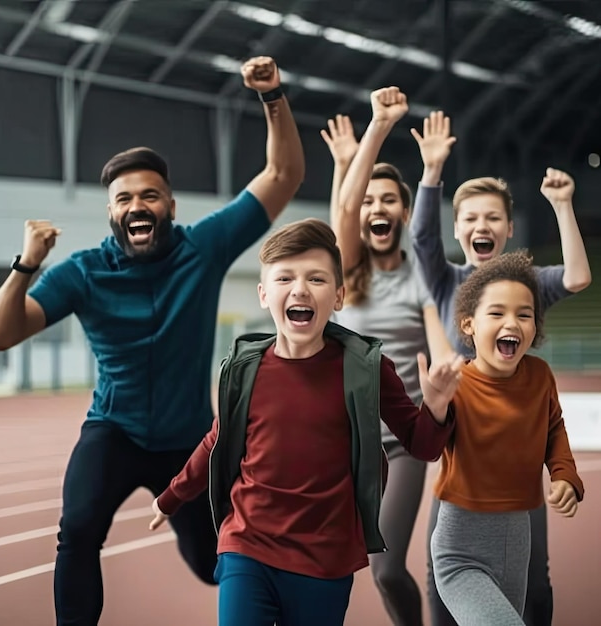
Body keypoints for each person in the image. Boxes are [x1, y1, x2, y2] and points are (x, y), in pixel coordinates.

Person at [0, 56, 304, 626]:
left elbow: (283, 177)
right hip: (114, 431)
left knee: (215, 561)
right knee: (77, 531)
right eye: (125, 198)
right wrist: (25, 265)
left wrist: (272, 96)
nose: (138, 206)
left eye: (150, 196)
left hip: (187, 439)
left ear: (170, 207)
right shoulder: (83, 272)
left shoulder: (201, 249)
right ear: (111, 211)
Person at [149, 218, 464, 626]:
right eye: (285, 278)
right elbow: (216, 441)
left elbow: (422, 446)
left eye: (316, 278)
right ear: (264, 295)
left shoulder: (367, 370)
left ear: (339, 295)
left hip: (325, 561)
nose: (299, 289)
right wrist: (171, 496)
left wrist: (436, 405)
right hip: (247, 545)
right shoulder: (243, 369)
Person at [409, 110, 592, 626]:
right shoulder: (446, 282)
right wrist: (432, 172)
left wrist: (561, 205)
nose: (480, 225)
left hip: (517, 458)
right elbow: (422, 239)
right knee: (440, 569)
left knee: (534, 578)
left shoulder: (527, 285)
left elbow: (578, 276)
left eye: (492, 217)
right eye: (469, 217)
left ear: (509, 228)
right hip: (461, 456)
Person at [321, 87, 452, 626]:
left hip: (400, 443)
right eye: (371, 200)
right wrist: (377, 127)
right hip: (339, 441)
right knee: (322, 566)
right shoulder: (346, 274)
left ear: (403, 211)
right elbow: (345, 208)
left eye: (389, 200)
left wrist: (445, 366)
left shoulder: (422, 271)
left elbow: (436, 332)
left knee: (387, 569)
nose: (377, 208)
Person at [431, 250, 584, 626]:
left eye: (525, 314)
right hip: (460, 547)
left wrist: (565, 474)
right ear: (468, 324)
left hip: (517, 541)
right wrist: (434, 404)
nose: (511, 322)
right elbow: (429, 445)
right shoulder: (457, 384)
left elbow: (553, 428)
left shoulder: (540, 375)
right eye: (497, 313)